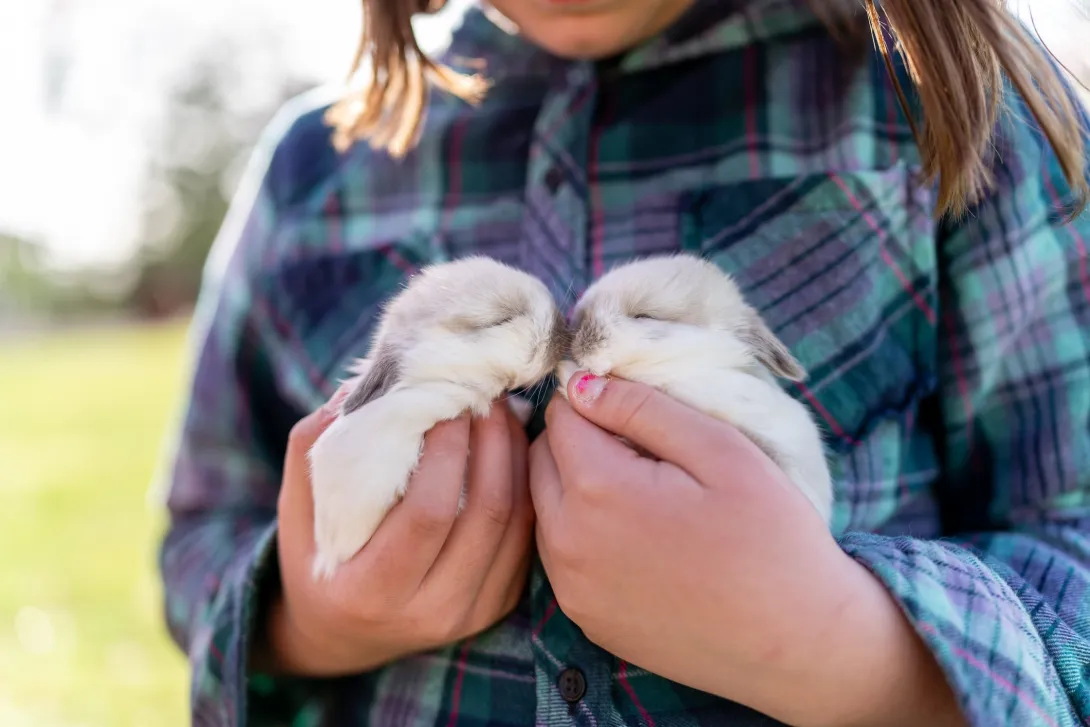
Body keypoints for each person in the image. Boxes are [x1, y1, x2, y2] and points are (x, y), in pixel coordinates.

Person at [157, 0, 1090, 725]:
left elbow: (1073, 535)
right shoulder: (311, 173)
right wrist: (315, 619)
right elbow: (201, 530)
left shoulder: (956, 110)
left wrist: (838, 646)